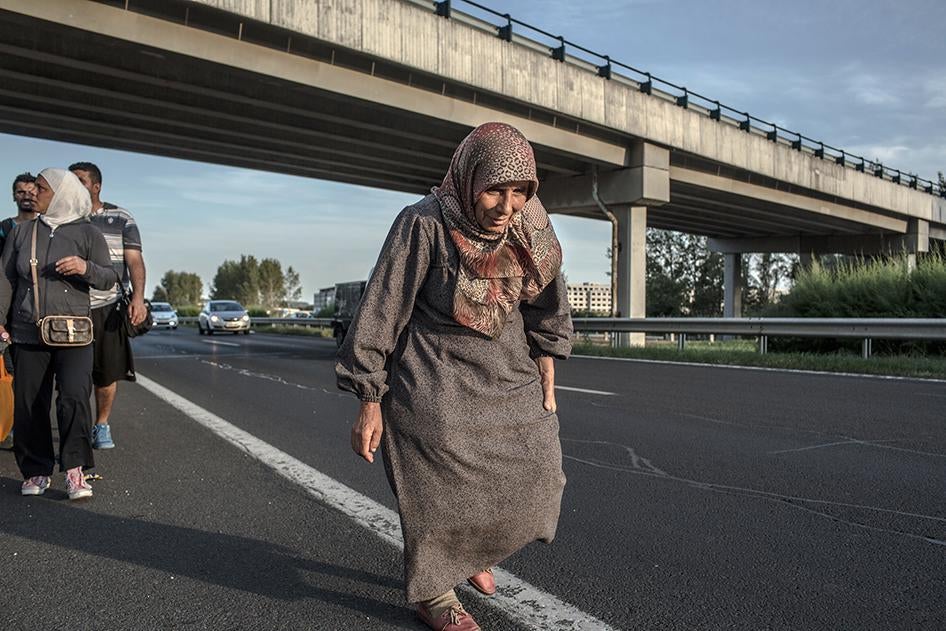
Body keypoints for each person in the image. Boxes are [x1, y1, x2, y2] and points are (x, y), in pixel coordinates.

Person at [336, 122, 572, 631]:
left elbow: (548, 295)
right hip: (433, 372)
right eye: (494, 189)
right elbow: (381, 307)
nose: (506, 206)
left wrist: (548, 357)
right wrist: (369, 397)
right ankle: (435, 593)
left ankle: (470, 554)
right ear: (469, 179)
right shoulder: (423, 224)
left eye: (519, 192)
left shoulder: (530, 222)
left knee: (539, 474)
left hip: (507, 368)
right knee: (439, 488)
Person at [0, 168, 119, 499]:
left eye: (41, 188)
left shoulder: (88, 233)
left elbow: (110, 277)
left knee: (73, 399)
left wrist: (85, 268)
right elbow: (6, 279)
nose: (33, 192)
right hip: (27, 332)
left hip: (75, 333)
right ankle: (36, 470)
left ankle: (74, 470)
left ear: (63, 193)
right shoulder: (21, 233)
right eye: (33, 187)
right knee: (29, 403)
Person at [69, 162, 147, 450]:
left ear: (96, 186)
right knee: (72, 377)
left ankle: (101, 424)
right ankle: (75, 427)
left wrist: (138, 298)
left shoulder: (121, 217)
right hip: (69, 307)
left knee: (105, 373)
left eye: (79, 180)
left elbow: (134, 261)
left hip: (108, 306)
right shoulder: (62, 216)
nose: (73, 185)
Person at [0, 173, 39, 450]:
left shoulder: (47, 227)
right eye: (20, 191)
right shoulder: (4, 228)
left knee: (33, 375)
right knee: (9, 370)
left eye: (31, 190)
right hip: (8, 311)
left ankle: (28, 426)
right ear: (14, 195)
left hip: (36, 313)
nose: (26, 195)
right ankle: (10, 424)